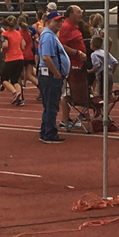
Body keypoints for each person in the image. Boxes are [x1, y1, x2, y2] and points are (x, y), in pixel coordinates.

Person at [34, 9, 70, 142]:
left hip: (49, 75)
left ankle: (45, 131)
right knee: (51, 105)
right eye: (57, 21)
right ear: (48, 22)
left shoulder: (50, 35)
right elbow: (47, 57)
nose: (60, 23)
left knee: (49, 105)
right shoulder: (48, 36)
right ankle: (49, 133)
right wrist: (56, 73)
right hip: (50, 76)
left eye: (61, 21)